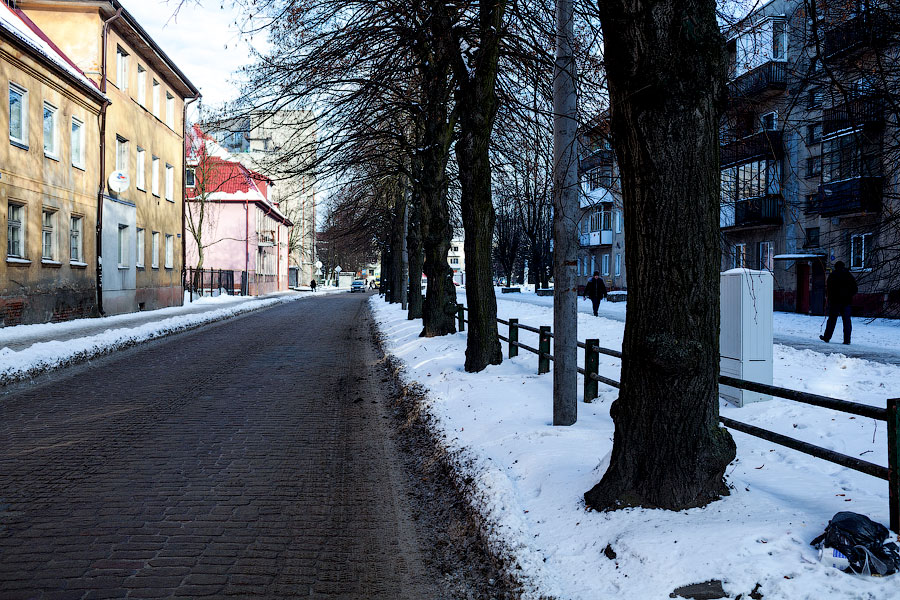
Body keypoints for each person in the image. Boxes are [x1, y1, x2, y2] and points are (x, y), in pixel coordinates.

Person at [820, 261, 857, 345]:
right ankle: (847, 340)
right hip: (846, 302)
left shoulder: (833, 275)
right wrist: (849, 295)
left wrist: (829, 298)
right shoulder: (849, 275)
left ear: (836, 267)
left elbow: (828, 289)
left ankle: (827, 337)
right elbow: (855, 288)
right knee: (847, 321)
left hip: (835, 302)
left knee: (832, 320)